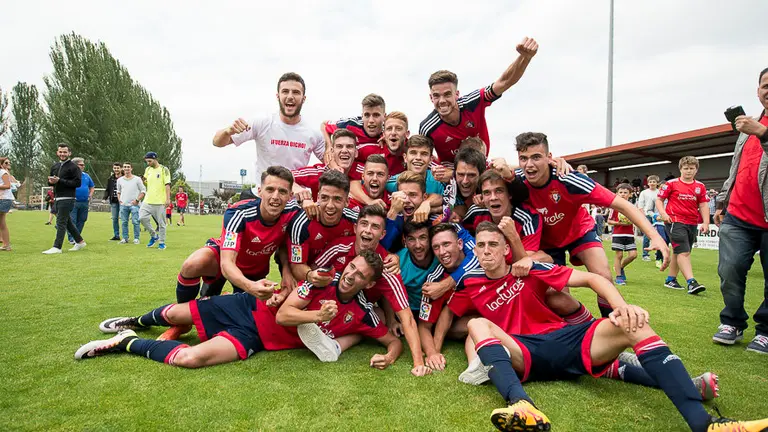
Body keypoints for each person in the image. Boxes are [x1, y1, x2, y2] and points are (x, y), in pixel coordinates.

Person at [459, 223, 762, 432]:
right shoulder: (470, 283)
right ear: (475, 251)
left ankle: (705, 424)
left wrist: (621, 307)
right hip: (524, 351)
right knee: (476, 323)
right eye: (481, 245)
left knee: (635, 323)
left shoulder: (529, 268)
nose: (486, 251)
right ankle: (522, 404)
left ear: (505, 250)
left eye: (493, 245)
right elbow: (446, 318)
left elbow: (594, 279)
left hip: (568, 340)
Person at [75, 252, 403, 371]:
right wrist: (319, 317)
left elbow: (392, 340)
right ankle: (137, 320)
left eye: (360, 275)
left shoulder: (361, 314)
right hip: (248, 306)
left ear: (369, 282)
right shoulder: (320, 282)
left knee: (192, 359)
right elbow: (285, 316)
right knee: (176, 316)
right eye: (352, 268)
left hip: (254, 337)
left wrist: (389, 355)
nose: (351, 275)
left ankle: (125, 341)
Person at [508, 132, 669, 317]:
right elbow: (489, 169)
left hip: (579, 233)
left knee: (604, 278)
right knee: (557, 298)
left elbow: (622, 204)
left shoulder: (569, 178)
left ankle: (614, 329)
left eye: (536, 157)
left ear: (549, 158)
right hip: (546, 243)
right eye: (523, 158)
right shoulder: (516, 180)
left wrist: (655, 236)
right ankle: (588, 327)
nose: (530, 164)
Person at [162, 166, 304, 341]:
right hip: (224, 261)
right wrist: (251, 287)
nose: (275, 197)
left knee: (246, 321)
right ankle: (180, 324)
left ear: (290, 196)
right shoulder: (238, 212)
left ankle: (224, 298)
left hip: (254, 270)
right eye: (270, 189)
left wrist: (287, 272)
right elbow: (227, 263)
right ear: (260, 191)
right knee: (194, 263)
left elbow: (285, 243)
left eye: (282, 191)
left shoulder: (294, 214)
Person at [313, 205, 431, 376]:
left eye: (375, 227)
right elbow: (311, 273)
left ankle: (334, 344)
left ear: (382, 235)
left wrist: (418, 363)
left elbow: (407, 318)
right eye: (364, 224)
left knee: (377, 318)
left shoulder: (387, 268)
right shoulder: (338, 247)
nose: (368, 231)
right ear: (356, 227)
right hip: (328, 303)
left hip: (358, 311)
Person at [712, 67, 768, 354]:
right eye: (765, 85)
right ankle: (732, 321)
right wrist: (722, 201)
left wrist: (764, 134)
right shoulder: (748, 127)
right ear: (758, 91)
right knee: (730, 269)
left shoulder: (756, 128)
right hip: (739, 214)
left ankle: (766, 330)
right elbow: (737, 168)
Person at [419, 37, 538, 167]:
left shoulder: (473, 102)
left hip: (480, 168)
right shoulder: (427, 128)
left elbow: (504, 82)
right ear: (431, 98)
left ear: (457, 95)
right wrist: (446, 172)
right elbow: (421, 158)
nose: (442, 101)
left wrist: (525, 57)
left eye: (447, 94)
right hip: (451, 179)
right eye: (436, 96)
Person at [213, 72, 325, 188]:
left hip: (294, 198)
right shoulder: (262, 123)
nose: (290, 96)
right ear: (278, 96)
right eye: (285, 91)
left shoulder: (313, 134)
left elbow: (332, 163)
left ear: (303, 98)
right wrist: (227, 131)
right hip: (262, 196)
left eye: (296, 92)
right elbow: (217, 142)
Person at [656, 156, 709, 295]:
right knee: (684, 252)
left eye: (692, 168)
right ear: (680, 169)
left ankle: (670, 280)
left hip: (692, 222)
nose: (688, 171)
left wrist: (706, 222)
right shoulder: (671, 184)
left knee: (680, 252)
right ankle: (691, 282)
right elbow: (659, 200)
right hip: (675, 221)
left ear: (696, 170)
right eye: (686, 168)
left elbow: (703, 204)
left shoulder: (700, 186)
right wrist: (663, 213)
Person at [43, 143, 86, 254]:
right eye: (60, 152)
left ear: (69, 153)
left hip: (68, 198)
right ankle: (80, 241)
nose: (62, 154)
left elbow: (77, 183)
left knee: (61, 222)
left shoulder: (73, 167)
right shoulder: (55, 166)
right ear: (57, 152)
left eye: (65, 152)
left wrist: (60, 181)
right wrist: (51, 181)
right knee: (67, 222)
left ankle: (57, 247)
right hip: (57, 197)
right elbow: (51, 182)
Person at [322, 94, 386, 165]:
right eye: (367, 115)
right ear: (362, 116)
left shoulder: (389, 132)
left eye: (376, 115)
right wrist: (328, 147)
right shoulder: (350, 124)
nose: (371, 120)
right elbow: (324, 125)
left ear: (384, 117)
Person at [139, 151, 171, 250]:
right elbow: (147, 182)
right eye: (147, 161)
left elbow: (167, 184)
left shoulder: (164, 169)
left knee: (161, 223)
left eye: (149, 161)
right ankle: (153, 235)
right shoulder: (147, 169)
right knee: (141, 218)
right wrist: (143, 181)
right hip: (148, 200)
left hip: (160, 202)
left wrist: (168, 199)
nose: (148, 163)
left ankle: (161, 242)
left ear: (155, 159)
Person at [608, 184, 638, 285]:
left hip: (630, 234)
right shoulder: (614, 206)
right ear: (617, 193)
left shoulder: (632, 207)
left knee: (633, 255)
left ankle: (620, 267)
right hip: (618, 234)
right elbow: (609, 221)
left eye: (625, 193)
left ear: (630, 194)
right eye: (620, 192)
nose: (623, 194)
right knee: (619, 255)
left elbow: (637, 219)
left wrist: (632, 221)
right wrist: (620, 223)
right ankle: (618, 276)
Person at [117, 162, 145, 244]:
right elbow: (118, 191)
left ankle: (136, 238)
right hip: (123, 205)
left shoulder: (137, 179)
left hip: (134, 205)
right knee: (124, 222)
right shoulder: (120, 180)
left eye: (128, 167)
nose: (126, 168)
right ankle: (125, 238)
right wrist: (120, 200)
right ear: (123, 168)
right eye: (125, 167)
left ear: (131, 168)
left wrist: (137, 200)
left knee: (135, 221)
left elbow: (143, 191)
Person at [68, 158, 94, 244]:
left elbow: (92, 186)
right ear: (75, 165)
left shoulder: (86, 176)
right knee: (72, 220)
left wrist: (90, 195)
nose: (83, 166)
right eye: (81, 165)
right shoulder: (69, 175)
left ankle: (77, 236)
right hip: (73, 201)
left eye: (83, 165)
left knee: (82, 219)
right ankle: (72, 238)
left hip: (84, 202)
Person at [636, 175, 660, 261]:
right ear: (648, 183)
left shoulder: (660, 192)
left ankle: (659, 254)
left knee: (660, 235)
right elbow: (640, 206)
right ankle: (645, 254)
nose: (652, 183)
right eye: (650, 182)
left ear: (657, 183)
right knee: (647, 235)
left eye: (654, 182)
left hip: (659, 217)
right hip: (647, 216)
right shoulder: (644, 193)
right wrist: (643, 217)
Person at [103, 162, 122, 240]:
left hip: (123, 201)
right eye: (115, 168)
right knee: (114, 218)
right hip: (114, 201)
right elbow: (108, 189)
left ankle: (125, 235)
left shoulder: (125, 178)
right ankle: (116, 235)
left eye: (118, 168)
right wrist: (104, 198)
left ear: (121, 168)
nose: (116, 169)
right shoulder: (110, 178)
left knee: (124, 219)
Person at [0, 157, 15, 251]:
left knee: (2, 223)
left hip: (4, 199)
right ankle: (6, 245)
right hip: (3, 199)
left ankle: (6, 245)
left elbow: (8, 185)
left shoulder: (3, 172)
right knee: (2, 223)